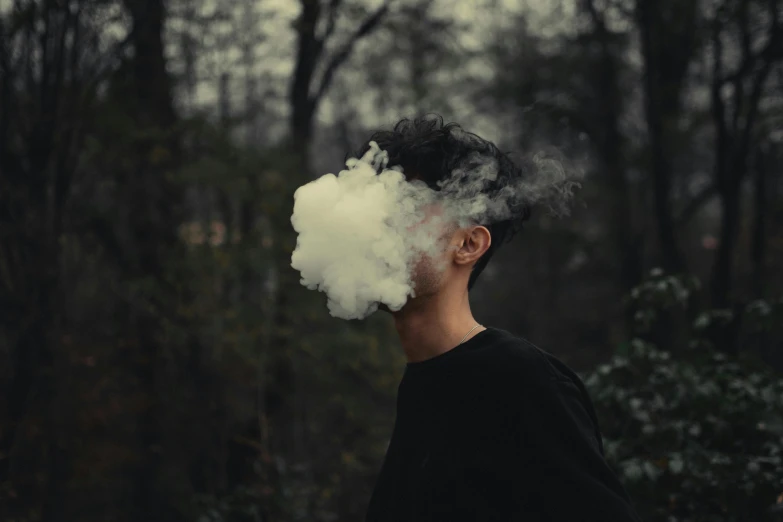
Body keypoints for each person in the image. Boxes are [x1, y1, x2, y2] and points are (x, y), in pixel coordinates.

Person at [352, 114, 643, 521]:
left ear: (469, 244)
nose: (378, 224)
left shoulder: (520, 380)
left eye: (407, 205)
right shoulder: (422, 380)